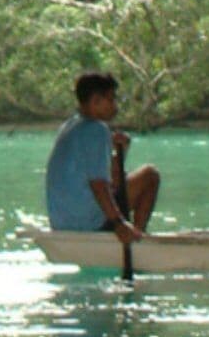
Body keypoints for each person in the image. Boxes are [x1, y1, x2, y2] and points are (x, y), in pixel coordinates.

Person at [44, 72, 159, 238]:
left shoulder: (69, 125)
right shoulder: (96, 129)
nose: (115, 106)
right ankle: (136, 237)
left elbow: (112, 181)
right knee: (150, 175)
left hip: (61, 223)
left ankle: (133, 235)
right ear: (96, 101)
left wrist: (121, 152)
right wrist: (119, 223)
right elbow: (98, 185)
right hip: (87, 223)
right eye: (111, 100)